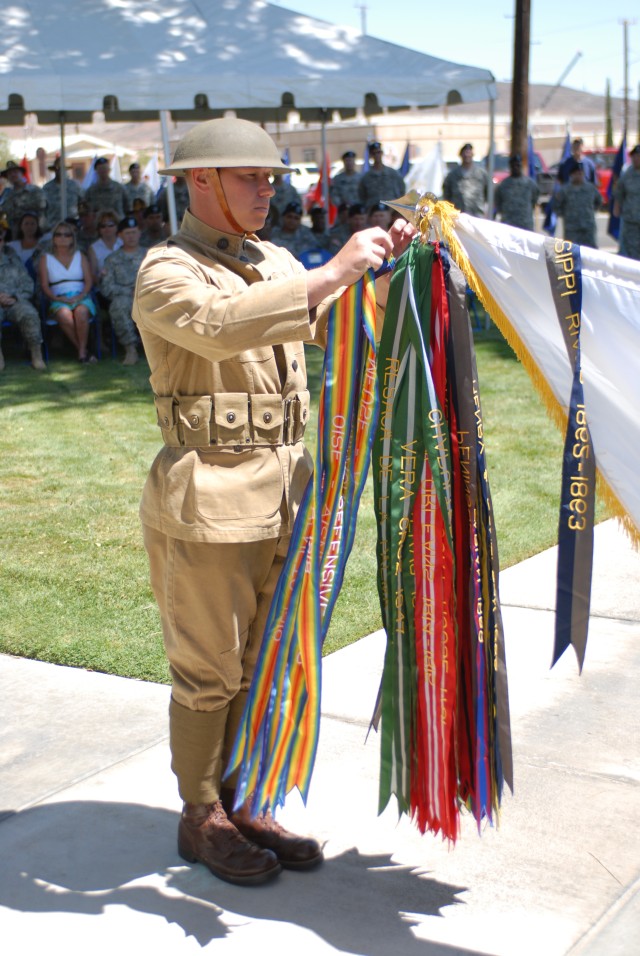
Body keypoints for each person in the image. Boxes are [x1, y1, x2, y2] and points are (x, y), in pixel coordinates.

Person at [132, 116, 414, 887]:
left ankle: (245, 794)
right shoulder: (167, 270)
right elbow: (219, 329)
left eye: (271, 178)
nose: (267, 189)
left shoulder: (276, 259)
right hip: (211, 502)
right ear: (200, 181)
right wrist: (331, 271)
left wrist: (397, 277)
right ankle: (201, 815)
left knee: (267, 664)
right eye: (251, 177)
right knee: (209, 671)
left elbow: (331, 325)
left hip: (289, 496)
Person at [38, 220, 97, 363]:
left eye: (67, 235)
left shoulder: (80, 256)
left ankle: (82, 351)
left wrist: (80, 296)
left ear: (72, 238)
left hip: (81, 295)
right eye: (58, 235)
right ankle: (83, 351)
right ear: (53, 238)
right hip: (58, 297)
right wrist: (57, 299)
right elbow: (44, 286)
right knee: (64, 315)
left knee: (81, 312)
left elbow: (89, 281)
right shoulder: (46, 259)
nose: (62, 238)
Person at [0, 222, 45, 372]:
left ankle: (36, 355)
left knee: (29, 314)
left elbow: (27, 284)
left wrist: (14, 297)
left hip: (15, 301)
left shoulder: (13, 261)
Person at [100, 216, 144, 365]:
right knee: (118, 307)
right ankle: (130, 349)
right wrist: (128, 292)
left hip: (148, 295)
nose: (131, 236)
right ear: (120, 235)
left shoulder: (151, 255)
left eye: (134, 232)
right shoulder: (111, 259)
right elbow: (106, 287)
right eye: (127, 233)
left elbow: (164, 281)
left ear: (140, 233)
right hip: (124, 297)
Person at [555, 160, 602, 248]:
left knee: (590, 253)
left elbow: (599, 201)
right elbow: (557, 205)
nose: (578, 176)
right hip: (572, 229)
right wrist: (565, 215)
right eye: (576, 173)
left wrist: (591, 212)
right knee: (572, 253)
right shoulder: (565, 190)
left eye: (580, 173)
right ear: (571, 175)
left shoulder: (590, 188)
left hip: (588, 228)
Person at [493, 154, 539, 230]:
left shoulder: (530, 184)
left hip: (525, 225)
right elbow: (498, 204)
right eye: (513, 166)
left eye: (518, 165)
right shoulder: (503, 185)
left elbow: (534, 200)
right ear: (510, 166)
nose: (516, 168)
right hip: (509, 225)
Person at [0, 160, 47, 235]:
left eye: (15, 172)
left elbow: (42, 206)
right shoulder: (6, 194)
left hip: (36, 232)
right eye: (9, 173)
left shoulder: (34, 190)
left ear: (22, 174)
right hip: (15, 234)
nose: (12, 175)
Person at [442, 143, 489, 217]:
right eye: (465, 153)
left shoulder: (481, 174)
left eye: (469, 153)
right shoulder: (452, 175)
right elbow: (446, 194)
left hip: (476, 214)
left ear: (472, 155)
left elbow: (488, 193)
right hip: (458, 214)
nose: (467, 155)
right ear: (461, 155)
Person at [358, 141, 405, 209]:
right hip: (373, 210)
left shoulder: (393, 174)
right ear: (371, 155)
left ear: (382, 153)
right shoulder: (366, 177)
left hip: (391, 209)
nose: (377, 155)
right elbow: (362, 196)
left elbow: (401, 190)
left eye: (379, 152)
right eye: (374, 153)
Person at [42, 157, 84, 232]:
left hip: (72, 227)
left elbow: (82, 204)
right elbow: (43, 208)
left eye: (63, 169)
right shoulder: (47, 188)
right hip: (53, 227)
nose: (60, 171)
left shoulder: (74, 186)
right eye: (58, 169)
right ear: (54, 170)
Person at [614, 144, 640, 260]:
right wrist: (617, 208)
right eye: (634, 156)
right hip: (631, 220)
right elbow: (619, 192)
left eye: (638, 156)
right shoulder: (627, 173)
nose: (636, 159)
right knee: (631, 252)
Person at [88, 209, 123, 284]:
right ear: (99, 229)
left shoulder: (124, 243)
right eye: (103, 226)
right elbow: (93, 275)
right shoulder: (93, 248)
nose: (107, 228)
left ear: (117, 226)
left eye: (111, 225)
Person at [8, 209, 44, 278]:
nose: (29, 227)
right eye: (26, 223)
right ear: (21, 226)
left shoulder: (43, 244)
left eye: (32, 224)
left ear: (37, 226)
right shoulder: (11, 246)